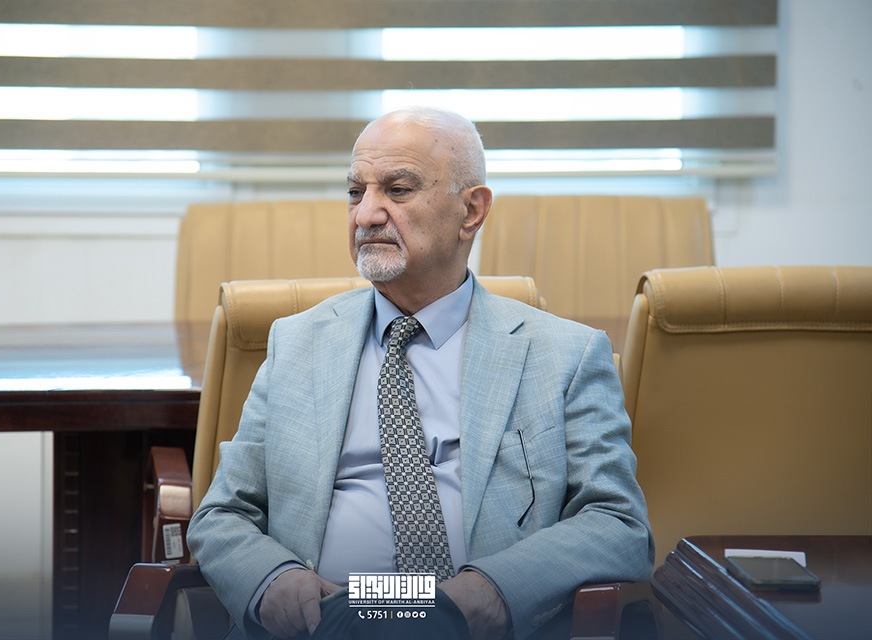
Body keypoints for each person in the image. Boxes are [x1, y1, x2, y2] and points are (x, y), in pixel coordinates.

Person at [188, 106, 653, 640]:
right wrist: (274, 581)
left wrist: (491, 591)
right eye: (355, 192)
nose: (366, 214)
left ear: (471, 211)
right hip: (324, 620)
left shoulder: (565, 355)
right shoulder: (296, 345)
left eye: (398, 190)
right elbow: (222, 514)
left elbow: (618, 524)